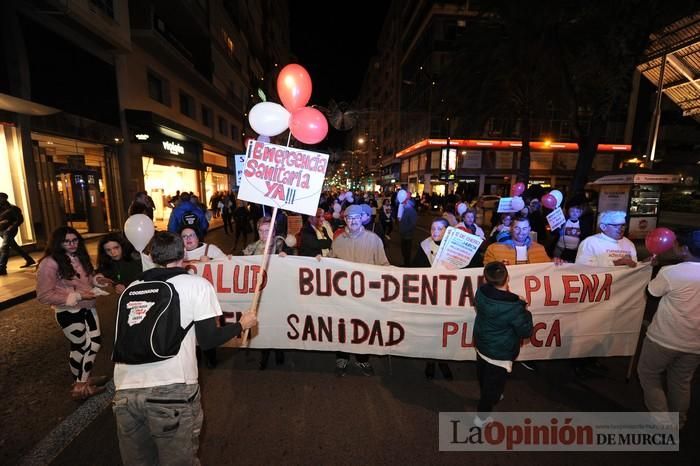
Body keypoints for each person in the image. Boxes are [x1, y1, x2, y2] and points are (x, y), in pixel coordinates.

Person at [112, 231, 257, 466]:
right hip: (172, 390)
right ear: (184, 253)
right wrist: (242, 324)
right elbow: (208, 339)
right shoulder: (196, 285)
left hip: (125, 391)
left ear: (152, 255)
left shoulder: (132, 288)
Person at [637, 229, 700, 430]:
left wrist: (655, 270)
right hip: (694, 343)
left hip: (664, 339)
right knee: (681, 382)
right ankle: (679, 421)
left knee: (648, 374)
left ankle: (662, 422)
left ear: (685, 250)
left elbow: (652, 292)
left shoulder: (672, 272)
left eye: (676, 244)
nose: (673, 246)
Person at [36, 227, 107, 400]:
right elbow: (44, 295)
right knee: (82, 346)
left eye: (74, 240)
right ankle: (81, 386)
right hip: (69, 310)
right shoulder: (50, 263)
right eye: (67, 241)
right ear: (58, 243)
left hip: (88, 305)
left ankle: (83, 379)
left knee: (94, 343)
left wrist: (97, 280)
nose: (72, 244)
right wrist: (76, 296)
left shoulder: (80, 256)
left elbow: (88, 278)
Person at [331, 204, 390, 376]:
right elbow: (329, 264)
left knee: (363, 327)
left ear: (362, 218)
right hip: (343, 295)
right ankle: (342, 358)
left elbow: (384, 264)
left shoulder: (374, 240)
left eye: (356, 218)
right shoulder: (338, 240)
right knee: (342, 327)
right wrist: (320, 261)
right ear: (345, 220)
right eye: (350, 218)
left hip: (366, 295)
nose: (353, 221)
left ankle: (363, 359)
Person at [473, 261, 533, 426]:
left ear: (486, 279)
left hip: (482, 344)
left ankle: (491, 391)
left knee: (483, 374)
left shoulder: (481, 292)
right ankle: (482, 417)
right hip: (500, 352)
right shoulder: (514, 307)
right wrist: (524, 308)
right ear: (508, 278)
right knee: (492, 387)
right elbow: (526, 331)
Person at [242, 217, 290, 369]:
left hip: (278, 292)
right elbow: (238, 262)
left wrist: (286, 257)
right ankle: (265, 351)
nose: (264, 234)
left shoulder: (281, 244)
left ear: (274, 231)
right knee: (263, 323)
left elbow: (294, 262)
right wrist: (230, 259)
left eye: (267, 231)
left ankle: (279, 349)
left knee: (278, 321)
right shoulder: (252, 247)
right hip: (260, 294)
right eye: (261, 231)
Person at [411, 218, 454, 380]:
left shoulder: (455, 248)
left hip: (448, 297)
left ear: (447, 231)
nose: (435, 232)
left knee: (445, 331)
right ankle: (430, 360)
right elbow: (415, 270)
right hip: (429, 296)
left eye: (439, 229)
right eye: (433, 228)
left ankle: (443, 360)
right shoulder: (424, 246)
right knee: (430, 329)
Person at [483, 216, 551, 265]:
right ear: (510, 229)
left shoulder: (539, 249)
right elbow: (488, 272)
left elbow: (548, 268)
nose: (521, 232)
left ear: (529, 229)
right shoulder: (493, 249)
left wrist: (555, 263)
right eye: (517, 228)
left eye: (524, 228)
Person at [0, 192, 36, 274]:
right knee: (14, 246)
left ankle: (2, 267)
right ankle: (29, 259)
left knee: (4, 247)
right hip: (2, 231)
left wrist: (11, 227)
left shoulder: (13, 208)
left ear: (5, 199)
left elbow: (19, 219)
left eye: (1, 198)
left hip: (9, 231)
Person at [550, 196, 592, 262]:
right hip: (559, 248)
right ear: (568, 211)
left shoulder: (583, 224)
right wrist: (556, 228)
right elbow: (553, 232)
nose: (575, 213)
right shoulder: (562, 221)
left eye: (577, 211)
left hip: (574, 251)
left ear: (581, 212)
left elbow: (586, 237)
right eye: (572, 211)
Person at [399, 198, 418, 266]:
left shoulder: (411, 211)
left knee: (407, 250)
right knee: (404, 250)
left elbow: (413, 224)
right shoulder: (405, 210)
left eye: (405, 203)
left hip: (408, 234)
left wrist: (405, 230)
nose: (404, 204)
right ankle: (406, 263)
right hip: (404, 233)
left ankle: (407, 264)